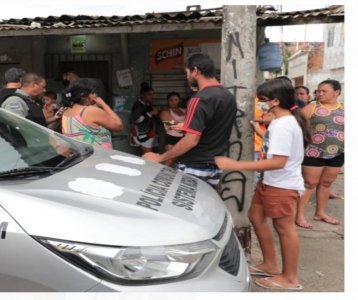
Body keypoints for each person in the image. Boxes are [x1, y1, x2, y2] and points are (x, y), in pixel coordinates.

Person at [215, 78, 311, 291]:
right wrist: (260, 131)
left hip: (282, 185)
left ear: (276, 101)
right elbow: (272, 145)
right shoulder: (279, 122)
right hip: (269, 182)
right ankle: (270, 264)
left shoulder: (284, 125)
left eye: (263, 100)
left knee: (284, 229)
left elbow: (278, 161)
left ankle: (290, 278)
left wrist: (235, 164)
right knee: (256, 217)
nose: (261, 104)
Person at [143, 53, 236, 189]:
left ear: (196, 71)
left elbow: (191, 140)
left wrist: (160, 158)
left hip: (193, 167)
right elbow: (212, 127)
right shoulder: (228, 96)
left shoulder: (198, 99)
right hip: (215, 168)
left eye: (187, 72)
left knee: (181, 209)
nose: (187, 77)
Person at [295, 79, 344, 229]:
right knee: (309, 184)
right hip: (313, 152)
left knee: (326, 183)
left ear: (337, 92)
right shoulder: (312, 107)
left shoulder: (345, 108)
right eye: (318, 91)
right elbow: (295, 123)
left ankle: (320, 213)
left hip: (337, 152)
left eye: (324, 91)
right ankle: (299, 216)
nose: (320, 93)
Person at [60, 78, 122, 149]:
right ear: (83, 96)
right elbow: (118, 126)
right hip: (98, 157)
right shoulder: (90, 111)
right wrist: (103, 104)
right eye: (92, 93)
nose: (96, 95)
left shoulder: (66, 112)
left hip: (80, 156)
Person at [130, 82, 158, 154]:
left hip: (148, 134)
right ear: (142, 95)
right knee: (148, 155)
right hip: (142, 135)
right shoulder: (138, 106)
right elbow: (136, 119)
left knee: (147, 154)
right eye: (149, 94)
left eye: (152, 94)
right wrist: (151, 113)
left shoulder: (148, 105)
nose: (152, 96)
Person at [159, 92, 186, 167]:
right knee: (170, 161)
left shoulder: (184, 110)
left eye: (176, 100)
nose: (173, 102)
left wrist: (182, 126)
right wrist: (187, 127)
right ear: (167, 101)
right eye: (171, 100)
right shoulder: (165, 112)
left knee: (182, 162)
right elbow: (172, 126)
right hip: (171, 139)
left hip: (184, 139)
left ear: (179, 100)